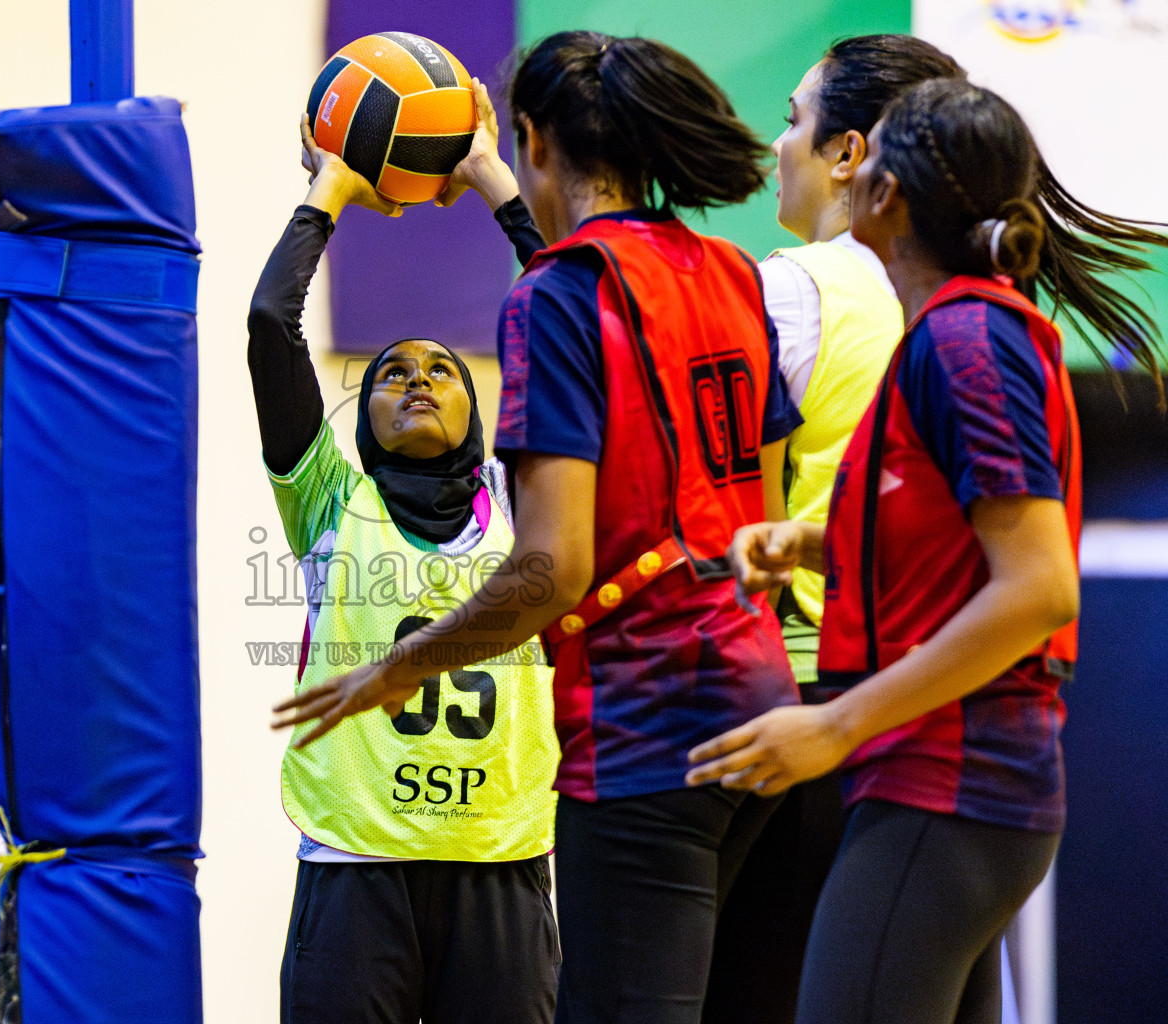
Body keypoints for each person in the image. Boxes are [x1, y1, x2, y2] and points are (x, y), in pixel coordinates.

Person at [275, 32, 801, 1024]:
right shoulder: (732, 273)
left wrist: (401, 666)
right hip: (761, 699)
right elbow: (762, 535)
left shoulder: (554, 297)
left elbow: (552, 570)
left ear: (535, 142)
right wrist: (498, 186)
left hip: (645, 722)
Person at [704, 36, 1168, 1024]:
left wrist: (832, 722)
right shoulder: (951, 331)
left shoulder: (967, 341)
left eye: (866, 157)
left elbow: (1039, 587)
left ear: (891, 195)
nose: (843, 164)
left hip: (949, 779)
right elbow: (957, 545)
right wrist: (814, 545)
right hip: (939, 782)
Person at [251, 107, 562, 1024]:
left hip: (499, 866)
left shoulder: (524, 500)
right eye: (392, 372)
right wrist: (331, 191)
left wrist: (493, 181)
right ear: (362, 418)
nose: (420, 378)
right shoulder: (328, 503)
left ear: (479, 411)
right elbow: (272, 326)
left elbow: (574, 320)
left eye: (442, 370)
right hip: (355, 869)